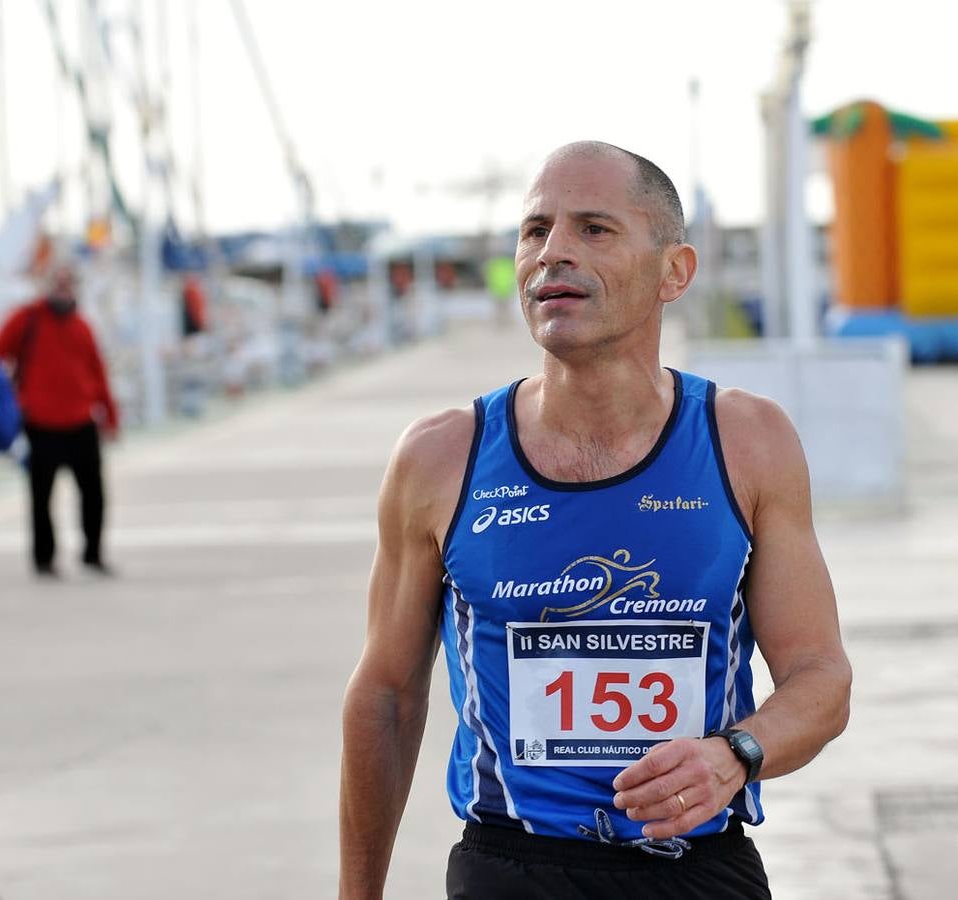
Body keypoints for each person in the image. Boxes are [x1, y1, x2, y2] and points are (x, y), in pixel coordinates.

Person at [339, 142, 852, 899]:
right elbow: (385, 693)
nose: (553, 253)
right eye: (535, 230)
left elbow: (821, 680)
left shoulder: (747, 442)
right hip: (510, 868)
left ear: (673, 271)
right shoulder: (442, 456)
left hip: (697, 868)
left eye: (594, 230)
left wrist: (735, 752)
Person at [0, 265, 119, 576]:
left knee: (94, 494)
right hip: (40, 423)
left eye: (67, 282)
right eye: (56, 282)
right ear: (46, 285)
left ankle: (93, 553)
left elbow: (98, 373)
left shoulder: (83, 326)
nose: (62, 287)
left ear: (74, 287)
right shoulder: (26, 318)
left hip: (81, 421)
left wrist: (110, 416)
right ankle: (44, 559)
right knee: (41, 496)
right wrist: (7, 402)